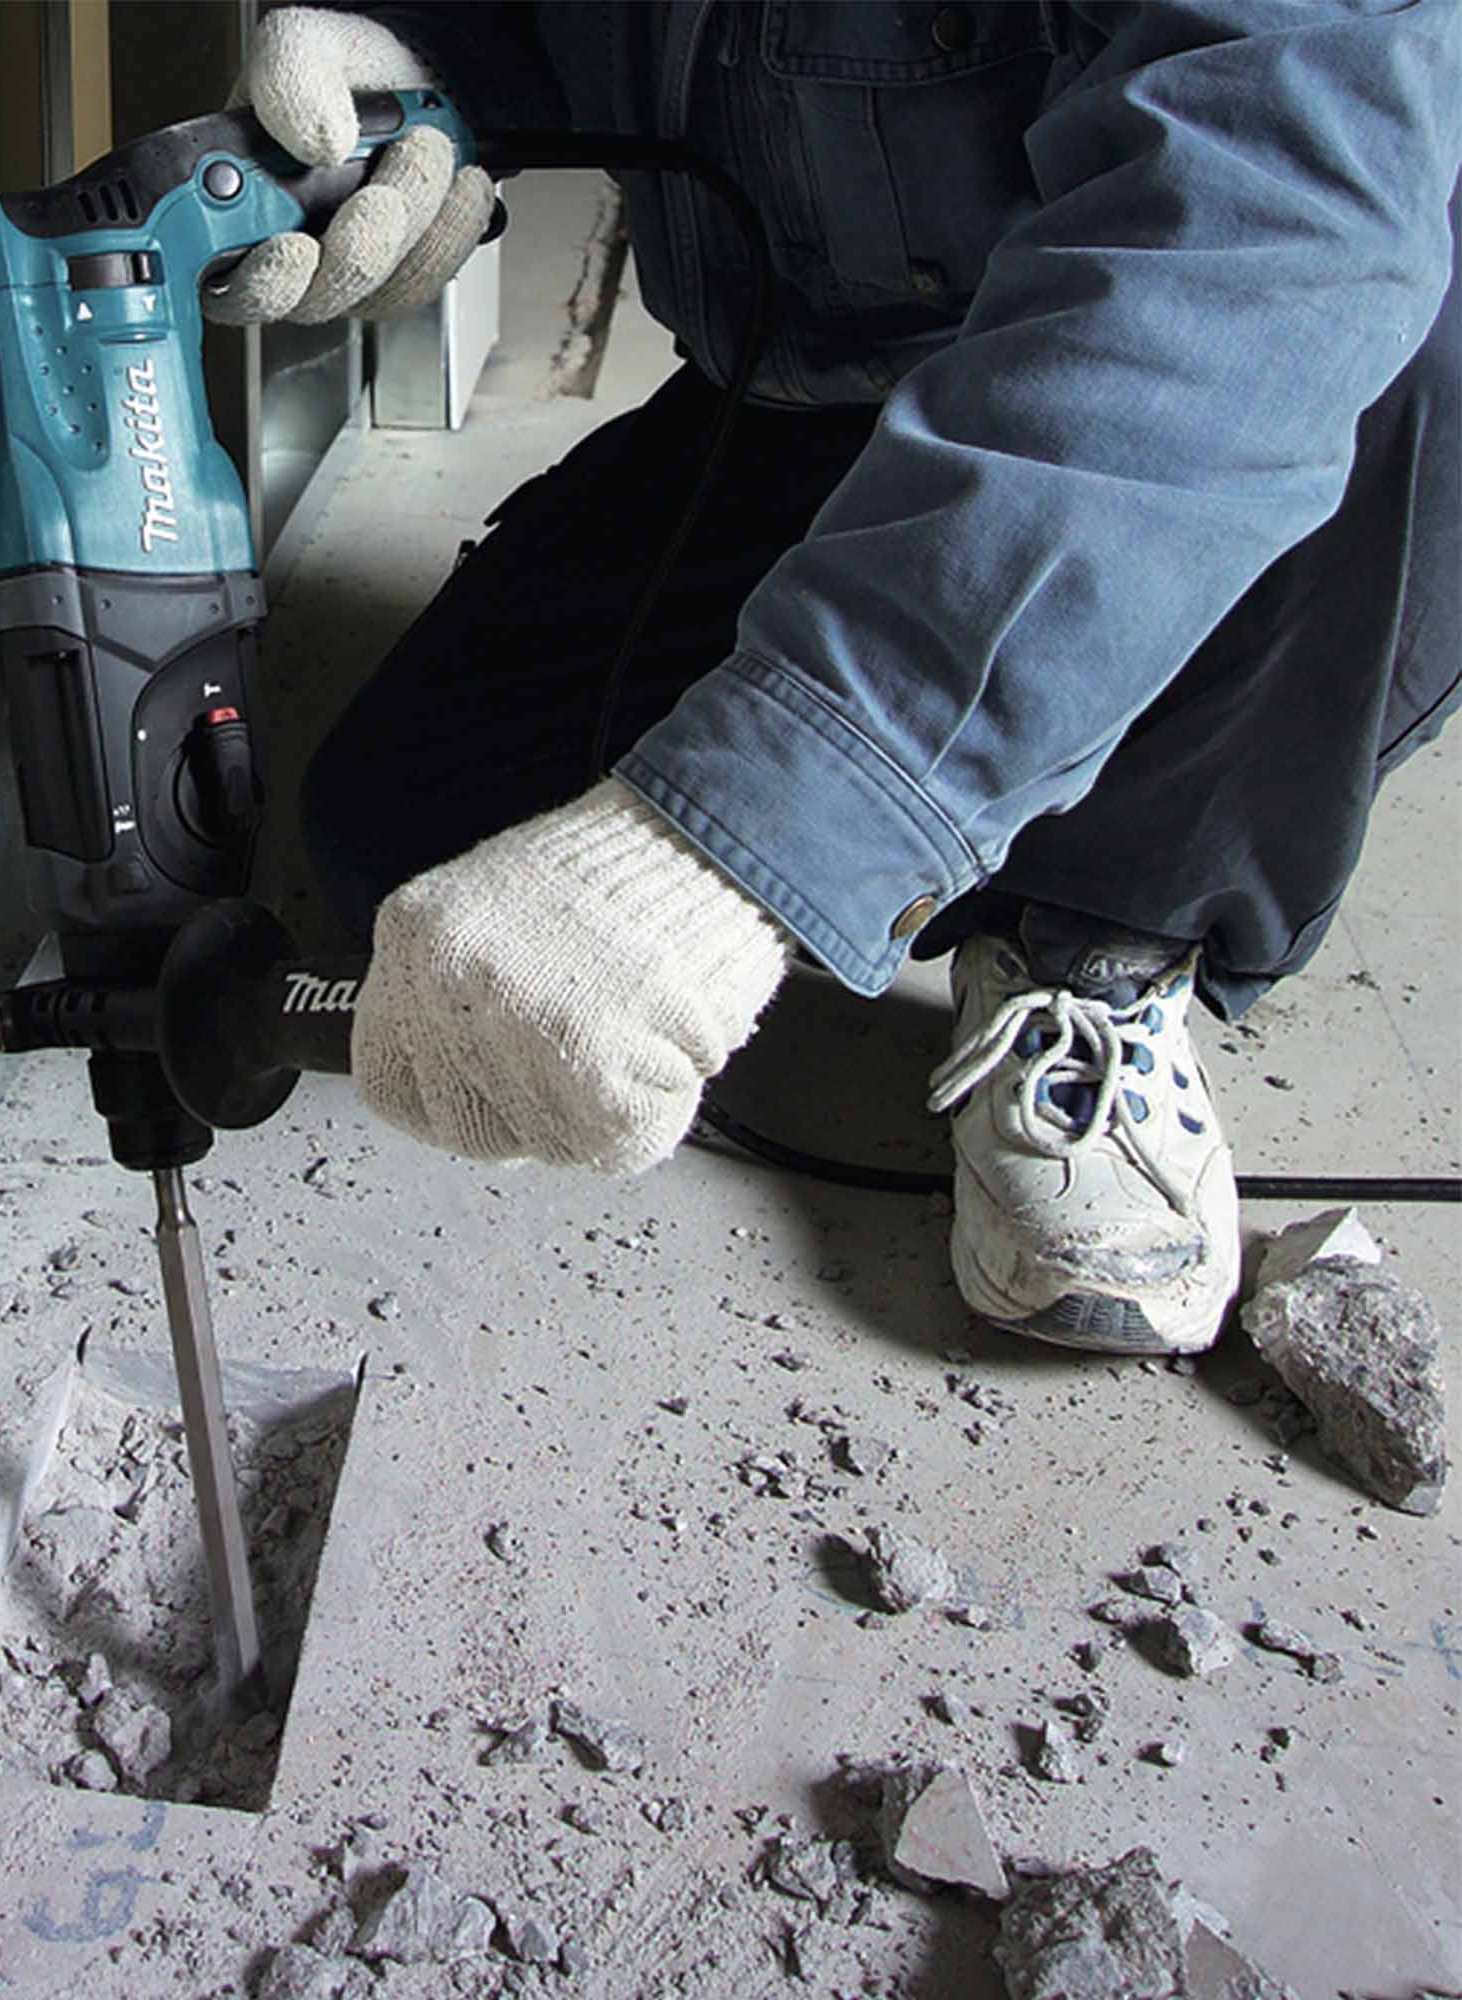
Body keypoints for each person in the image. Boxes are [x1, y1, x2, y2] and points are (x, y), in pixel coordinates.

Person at [206, 3, 1461, 1358]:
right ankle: (972, 801)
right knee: (407, 847)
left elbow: (1261, 236)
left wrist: (735, 843)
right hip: (826, 384)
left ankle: (1103, 940)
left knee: (1382, 343)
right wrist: (448, 65)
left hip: (1230, 365)